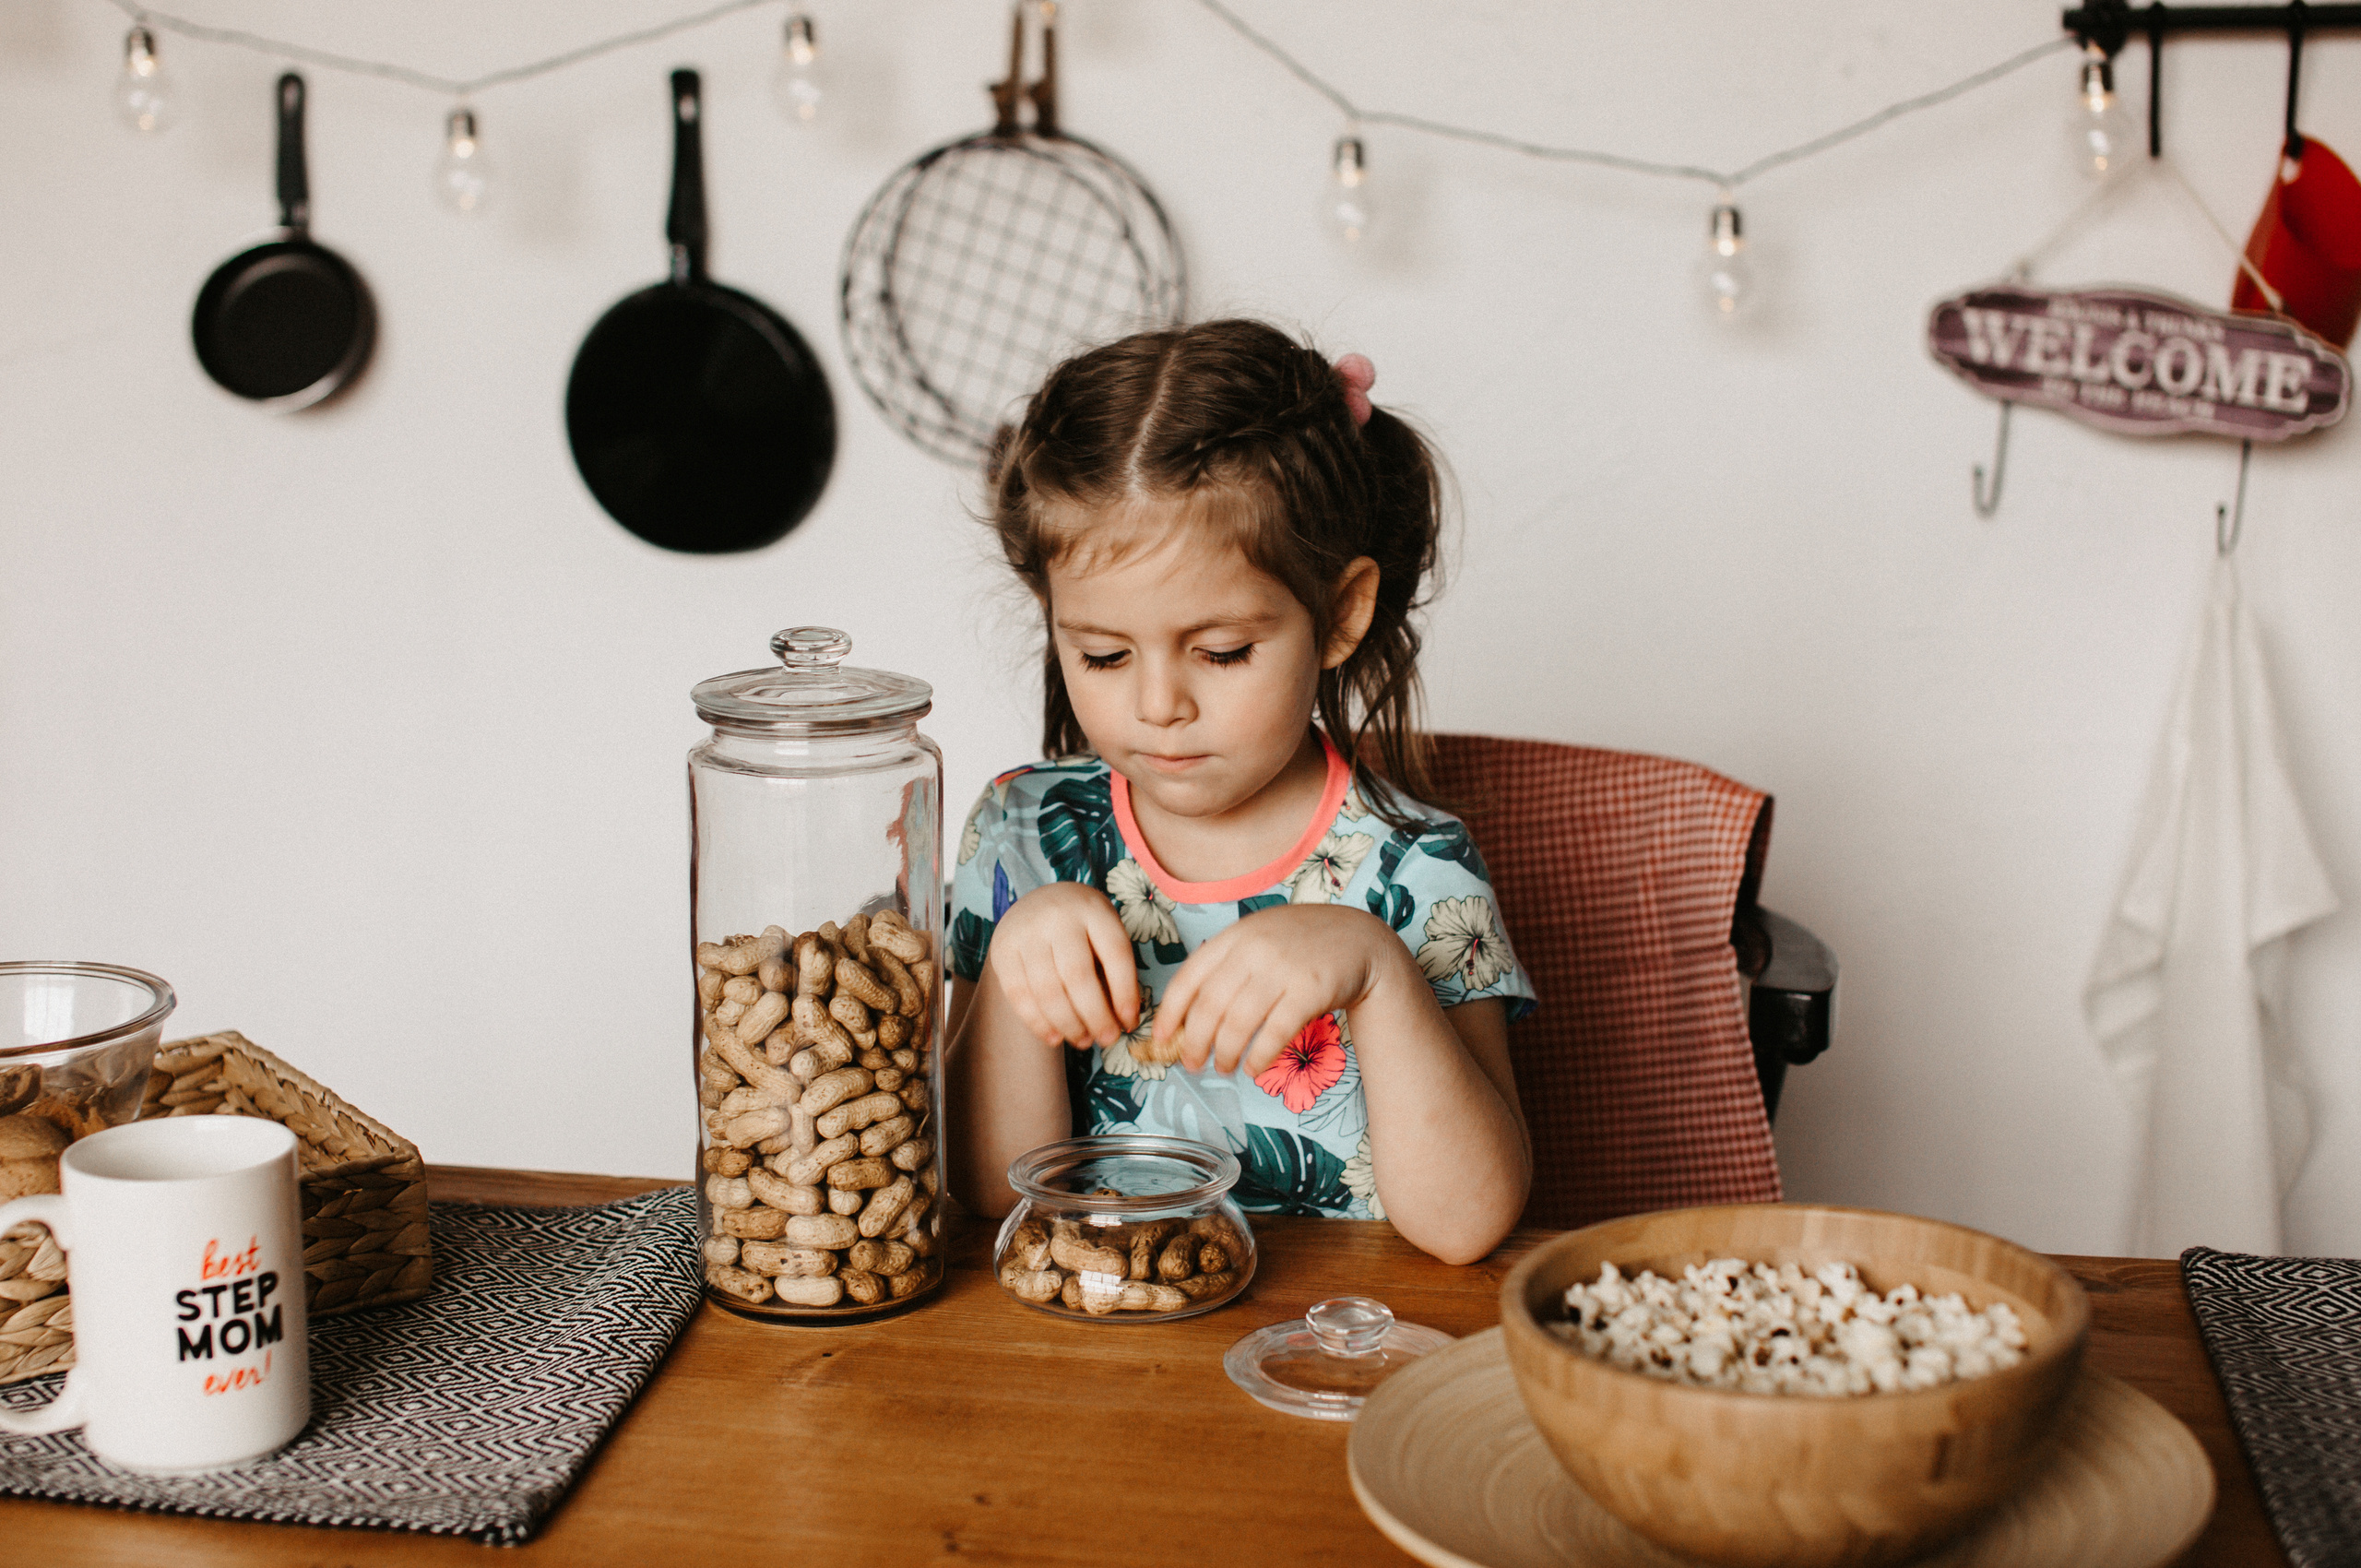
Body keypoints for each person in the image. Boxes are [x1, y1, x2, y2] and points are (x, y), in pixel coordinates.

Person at [944, 319, 1536, 1265]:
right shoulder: (1023, 833)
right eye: (1100, 653)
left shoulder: (1414, 868)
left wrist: (1375, 970)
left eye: (1220, 651)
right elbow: (981, 1191)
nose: (1157, 704)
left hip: (1333, 1347)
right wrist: (1018, 959)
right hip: (1085, 1346)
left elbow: (1467, 1225)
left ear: (1338, 613)